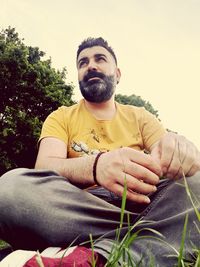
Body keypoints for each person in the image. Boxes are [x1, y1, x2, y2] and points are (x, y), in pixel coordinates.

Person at [0, 37, 199, 266]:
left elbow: (168, 158)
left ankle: (86, 255)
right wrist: (96, 166)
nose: (91, 65)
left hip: (140, 204)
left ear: (118, 74)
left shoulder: (141, 116)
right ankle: (149, 239)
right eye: (83, 62)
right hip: (78, 207)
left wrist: (182, 151)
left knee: (196, 182)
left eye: (100, 59)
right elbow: (45, 166)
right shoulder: (61, 116)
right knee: (10, 189)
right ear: (78, 75)